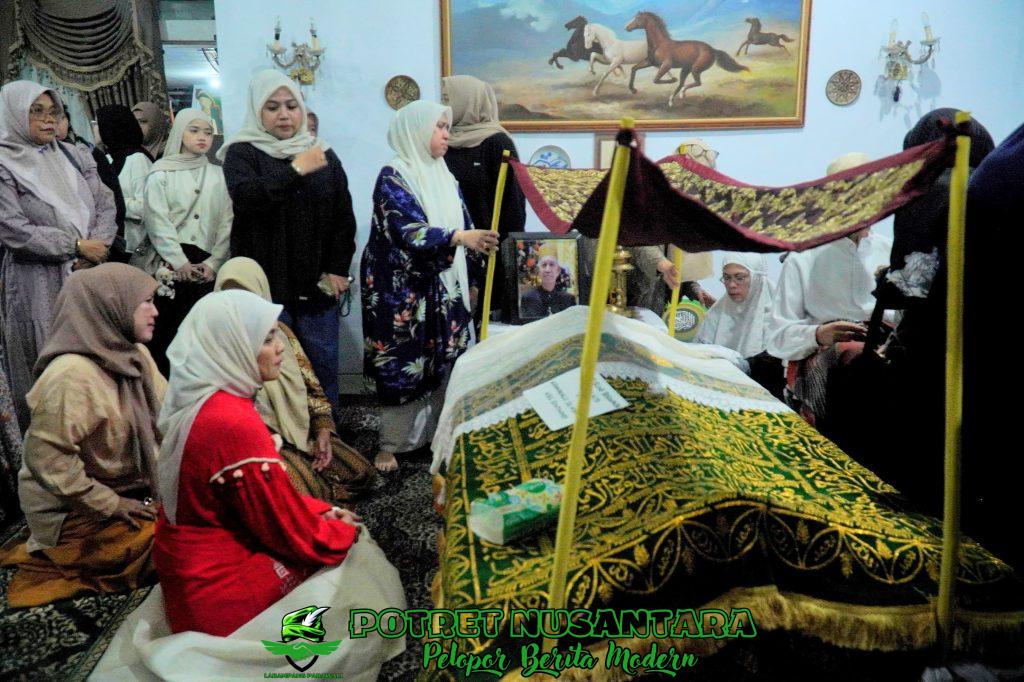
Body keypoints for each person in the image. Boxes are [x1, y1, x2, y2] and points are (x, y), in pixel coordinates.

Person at [92, 290, 404, 680]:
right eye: (267, 338)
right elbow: (281, 528)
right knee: (361, 572)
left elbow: (262, 504)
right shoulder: (232, 420)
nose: (280, 348)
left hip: (188, 572)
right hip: (217, 592)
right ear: (233, 347)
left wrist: (320, 510)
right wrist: (337, 530)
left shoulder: (207, 400)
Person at [0, 264, 164, 607]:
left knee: (207, 516)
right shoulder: (70, 376)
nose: (156, 312)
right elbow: (50, 464)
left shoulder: (136, 356)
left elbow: (169, 418)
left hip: (130, 488)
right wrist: (112, 503)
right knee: (170, 545)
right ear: (111, 306)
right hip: (74, 508)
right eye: (146, 302)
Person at [361, 99, 497, 473]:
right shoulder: (394, 175)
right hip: (401, 290)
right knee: (402, 363)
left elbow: (465, 225)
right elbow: (406, 230)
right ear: (416, 130)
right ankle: (392, 444)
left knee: (446, 360)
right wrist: (458, 238)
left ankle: (439, 435)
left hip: (444, 286)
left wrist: (473, 275)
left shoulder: (444, 175)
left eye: (447, 127)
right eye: (439, 126)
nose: (446, 134)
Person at [222, 70, 357, 422]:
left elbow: (343, 216)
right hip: (266, 286)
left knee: (322, 365)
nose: (284, 115)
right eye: (272, 107)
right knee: (274, 373)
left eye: (291, 106)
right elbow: (247, 198)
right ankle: (282, 441)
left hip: (316, 284)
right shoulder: (242, 153)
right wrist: (296, 169)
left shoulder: (323, 155)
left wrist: (338, 269)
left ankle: (329, 439)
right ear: (257, 111)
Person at [0, 80, 117, 429]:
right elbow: (12, 228)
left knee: (95, 362)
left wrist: (96, 248)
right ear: (14, 115)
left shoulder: (73, 156)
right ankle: (52, 446)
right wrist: (75, 246)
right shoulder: (5, 164)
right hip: (37, 282)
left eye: (54, 111)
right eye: (36, 111)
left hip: (87, 275)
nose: (48, 119)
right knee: (49, 365)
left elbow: (105, 203)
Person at [215, 257, 376, 501]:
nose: (241, 304)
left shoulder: (280, 332)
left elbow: (312, 388)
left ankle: (314, 487)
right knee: (302, 490)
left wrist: (323, 430)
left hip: (301, 431)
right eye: (231, 296)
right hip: (259, 444)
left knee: (361, 472)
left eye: (247, 295)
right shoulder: (218, 343)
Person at [767, 152, 891, 429]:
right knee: (855, 359)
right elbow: (776, 338)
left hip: (887, 352)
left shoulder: (891, 252)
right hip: (827, 363)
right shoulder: (803, 257)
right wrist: (818, 334)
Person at [136, 107, 232, 375]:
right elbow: (157, 222)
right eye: (194, 130)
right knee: (168, 336)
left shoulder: (219, 175)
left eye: (208, 132)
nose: (202, 137)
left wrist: (214, 263)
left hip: (205, 266)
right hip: (169, 267)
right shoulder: (161, 173)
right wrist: (179, 262)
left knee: (204, 340)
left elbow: (227, 223)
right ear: (180, 132)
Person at [441, 75, 526, 323]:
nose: (443, 106)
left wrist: (507, 259)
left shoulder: (497, 143)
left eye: (447, 99)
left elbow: (513, 207)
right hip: (449, 248)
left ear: (468, 101)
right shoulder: (442, 142)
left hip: (488, 252)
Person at [696, 253, 782, 398]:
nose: (731, 285)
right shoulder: (717, 313)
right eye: (726, 278)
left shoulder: (778, 316)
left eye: (740, 278)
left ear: (757, 278)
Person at [95, 104, 153, 253]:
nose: (94, 128)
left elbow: (145, 207)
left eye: (97, 123)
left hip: (134, 247)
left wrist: (112, 203)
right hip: (112, 242)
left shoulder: (138, 159)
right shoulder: (107, 158)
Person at [519, 253, 576, 318]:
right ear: (538, 271)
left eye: (552, 265)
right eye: (544, 265)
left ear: (558, 271)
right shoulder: (528, 298)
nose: (547, 270)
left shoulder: (569, 299)